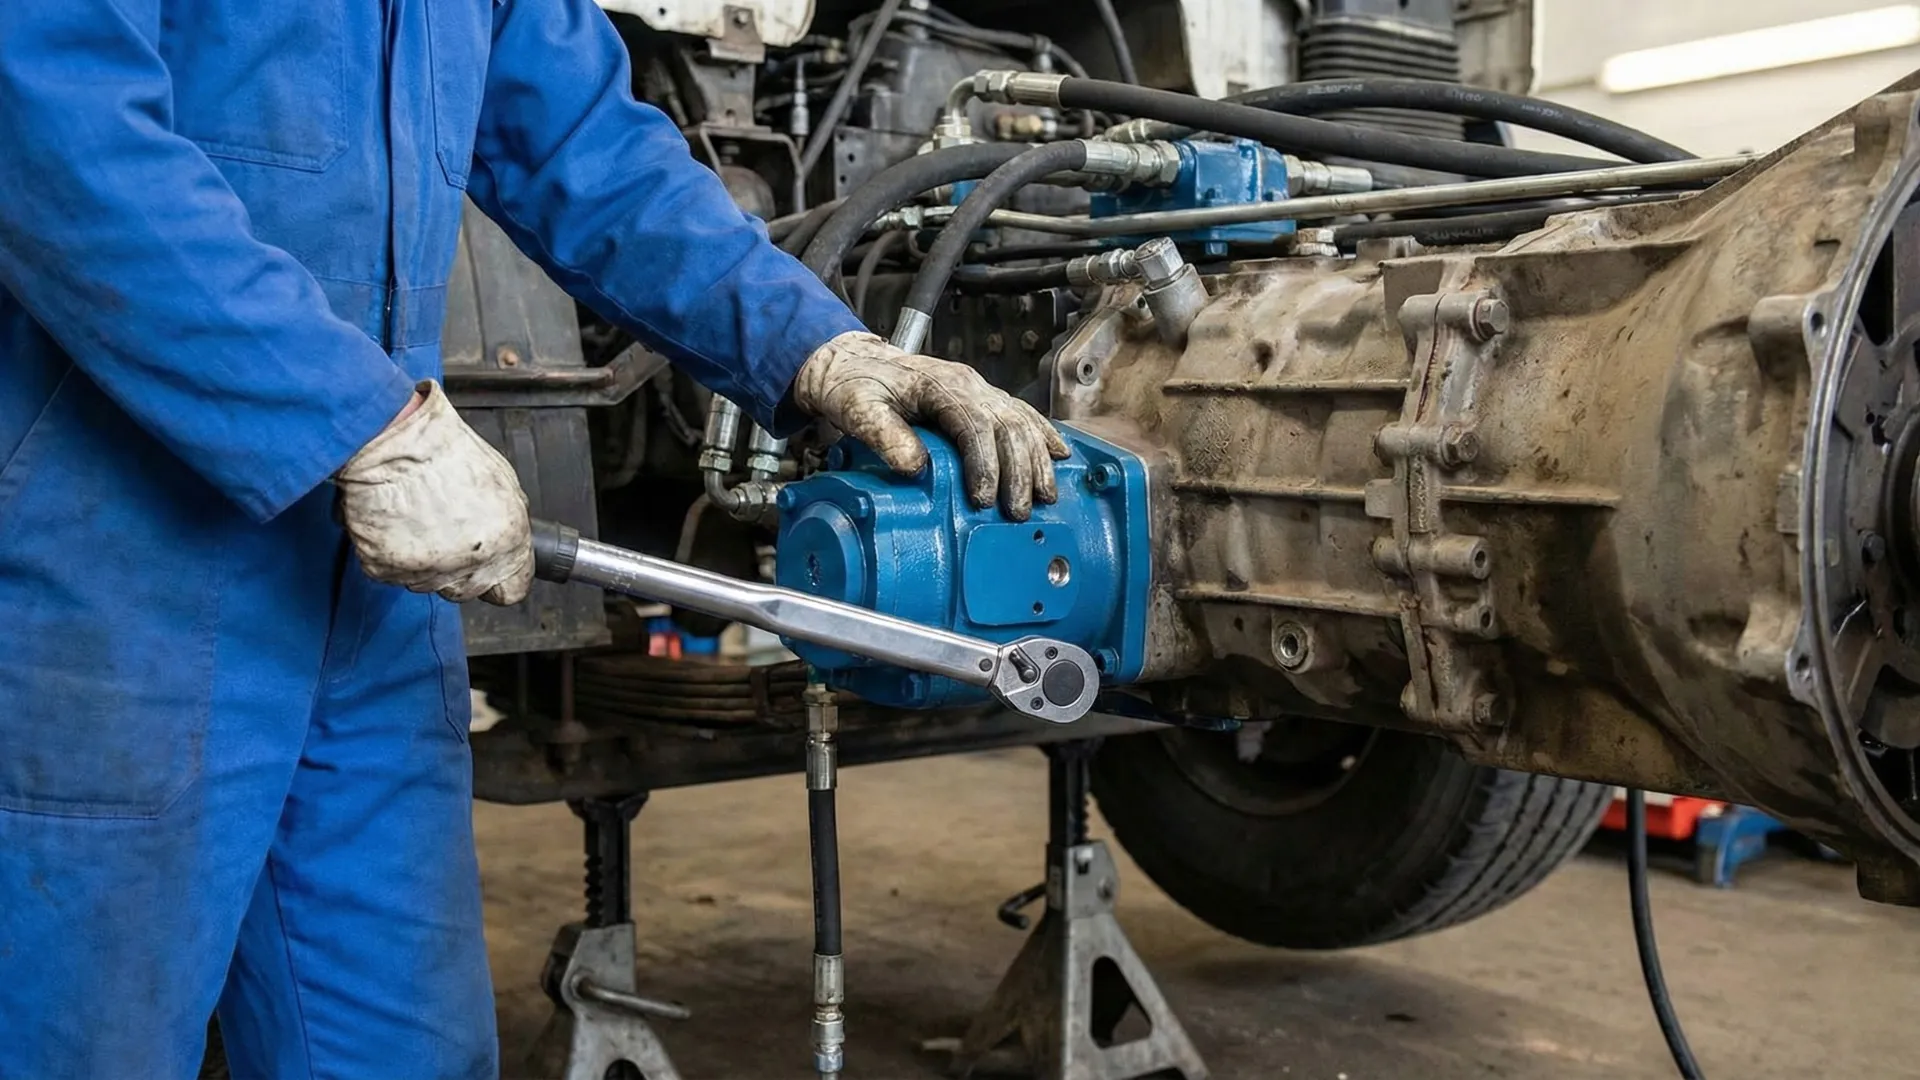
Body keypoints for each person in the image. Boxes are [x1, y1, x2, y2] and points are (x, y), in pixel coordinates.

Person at [0, 2, 1065, 1077]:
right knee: (82, 1039)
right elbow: (56, 130)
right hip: (114, 588)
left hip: (367, 601)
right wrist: (350, 422)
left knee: (402, 1049)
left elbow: (582, 148)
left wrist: (816, 347)